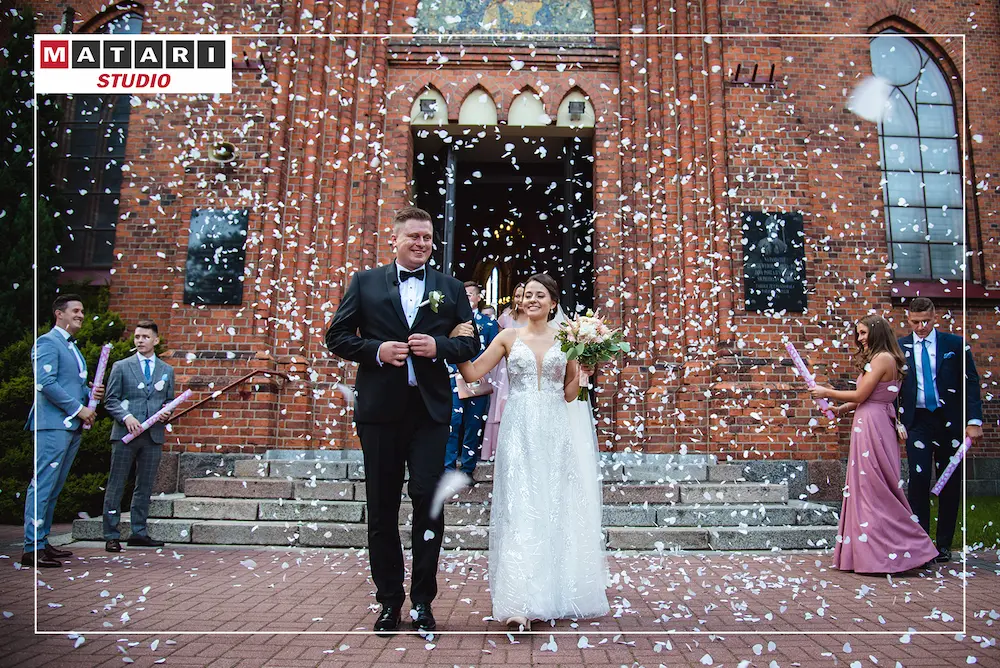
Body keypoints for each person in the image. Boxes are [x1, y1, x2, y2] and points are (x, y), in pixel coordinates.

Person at [324, 206, 481, 635]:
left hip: (430, 413)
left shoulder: (449, 289)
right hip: (379, 413)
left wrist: (439, 346)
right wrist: (376, 350)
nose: (421, 244)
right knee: (382, 507)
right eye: (413, 236)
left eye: (427, 238)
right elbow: (335, 336)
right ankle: (389, 600)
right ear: (394, 239)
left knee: (428, 504)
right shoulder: (366, 282)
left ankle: (423, 602)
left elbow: (471, 343)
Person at [451, 274, 609, 630]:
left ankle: (549, 594)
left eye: (541, 295)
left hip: (555, 428)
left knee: (552, 505)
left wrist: (585, 372)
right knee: (521, 506)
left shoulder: (568, 339)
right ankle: (518, 601)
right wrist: (456, 346)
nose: (532, 299)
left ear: (554, 302)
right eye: (528, 295)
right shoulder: (508, 337)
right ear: (520, 301)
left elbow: (569, 394)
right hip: (519, 429)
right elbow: (475, 371)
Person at [811, 315, 938, 573]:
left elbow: (861, 394)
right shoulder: (885, 358)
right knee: (868, 486)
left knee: (876, 487)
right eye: (858, 334)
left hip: (872, 425)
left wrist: (827, 392)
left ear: (877, 333)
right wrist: (843, 408)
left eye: (863, 333)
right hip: (872, 420)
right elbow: (867, 398)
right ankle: (870, 553)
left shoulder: (882, 359)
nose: (860, 338)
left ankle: (913, 548)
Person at [896, 297, 984, 563]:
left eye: (926, 321)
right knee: (919, 481)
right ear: (907, 318)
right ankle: (923, 544)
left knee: (949, 481)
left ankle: (944, 543)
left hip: (950, 421)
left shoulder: (955, 345)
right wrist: (897, 421)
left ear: (935, 318)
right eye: (915, 322)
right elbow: (894, 388)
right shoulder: (899, 348)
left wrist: (974, 421)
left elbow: (971, 383)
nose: (921, 327)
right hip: (917, 421)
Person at [23, 294, 104, 568]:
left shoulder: (73, 347)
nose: (81, 315)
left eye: (82, 310)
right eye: (76, 310)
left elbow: (68, 384)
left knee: (54, 487)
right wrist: (78, 409)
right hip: (52, 423)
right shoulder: (48, 342)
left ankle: (43, 541)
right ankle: (30, 548)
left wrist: (90, 394)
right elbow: (44, 382)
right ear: (59, 313)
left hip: (70, 425)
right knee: (43, 484)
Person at [101, 320, 175, 553]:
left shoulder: (167, 370)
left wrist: (167, 413)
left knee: (144, 485)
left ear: (155, 340)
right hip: (125, 435)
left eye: (145, 337)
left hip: (152, 436)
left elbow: (168, 401)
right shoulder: (121, 366)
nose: (140, 341)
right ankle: (111, 535)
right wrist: (126, 417)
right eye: (137, 337)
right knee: (116, 484)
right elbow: (110, 400)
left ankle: (139, 532)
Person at [445, 282, 499, 476]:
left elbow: (496, 350)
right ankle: (448, 468)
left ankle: (468, 468)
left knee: (473, 423)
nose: (467, 298)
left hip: (478, 378)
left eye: (470, 295)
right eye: (464, 295)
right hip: (453, 377)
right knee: (453, 421)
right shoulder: (451, 321)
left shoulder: (489, 323)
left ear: (478, 298)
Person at [481, 282, 528, 461]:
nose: (520, 299)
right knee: (501, 403)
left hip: (526, 367)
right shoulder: (505, 317)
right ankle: (496, 450)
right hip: (505, 367)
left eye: (524, 295)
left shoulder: (535, 318)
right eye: (517, 296)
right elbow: (497, 345)